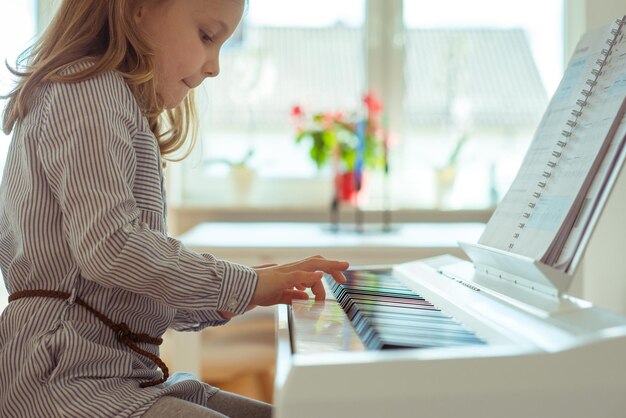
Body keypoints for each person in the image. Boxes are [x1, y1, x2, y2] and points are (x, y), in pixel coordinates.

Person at [0, 0, 349, 416]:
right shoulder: (86, 91)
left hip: (116, 374)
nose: (214, 66)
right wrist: (242, 285)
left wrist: (247, 289)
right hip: (62, 378)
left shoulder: (114, 101)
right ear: (137, 8)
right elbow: (111, 248)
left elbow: (130, 289)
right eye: (207, 36)